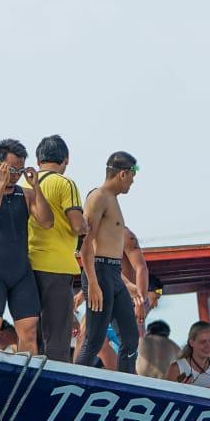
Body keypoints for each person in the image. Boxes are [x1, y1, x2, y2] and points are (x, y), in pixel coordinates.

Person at [0, 139, 48, 354]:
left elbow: (46, 221)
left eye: (20, 170)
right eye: (12, 169)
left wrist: (36, 187)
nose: (15, 175)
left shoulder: (25, 194)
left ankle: (29, 380)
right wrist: (0, 186)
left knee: (30, 333)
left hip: (21, 272)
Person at [75, 152, 146, 371]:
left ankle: (126, 383)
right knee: (94, 338)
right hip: (99, 274)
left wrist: (126, 282)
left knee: (131, 338)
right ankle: (75, 379)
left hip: (113, 275)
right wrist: (93, 283)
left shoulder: (113, 200)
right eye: (133, 175)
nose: (133, 181)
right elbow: (85, 246)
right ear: (123, 174)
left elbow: (109, 254)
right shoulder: (98, 197)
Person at [26, 135, 87, 360]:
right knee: (58, 338)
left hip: (25, 267)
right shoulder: (65, 183)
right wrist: (87, 226)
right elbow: (78, 225)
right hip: (57, 267)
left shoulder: (23, 183)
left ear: (38, 159)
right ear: (66, 159)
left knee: (32, 333)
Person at [167, 321, 210, 389]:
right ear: (192, 343)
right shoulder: (176, 368)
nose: (208, 345)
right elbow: (166, 397)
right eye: (203, 342)